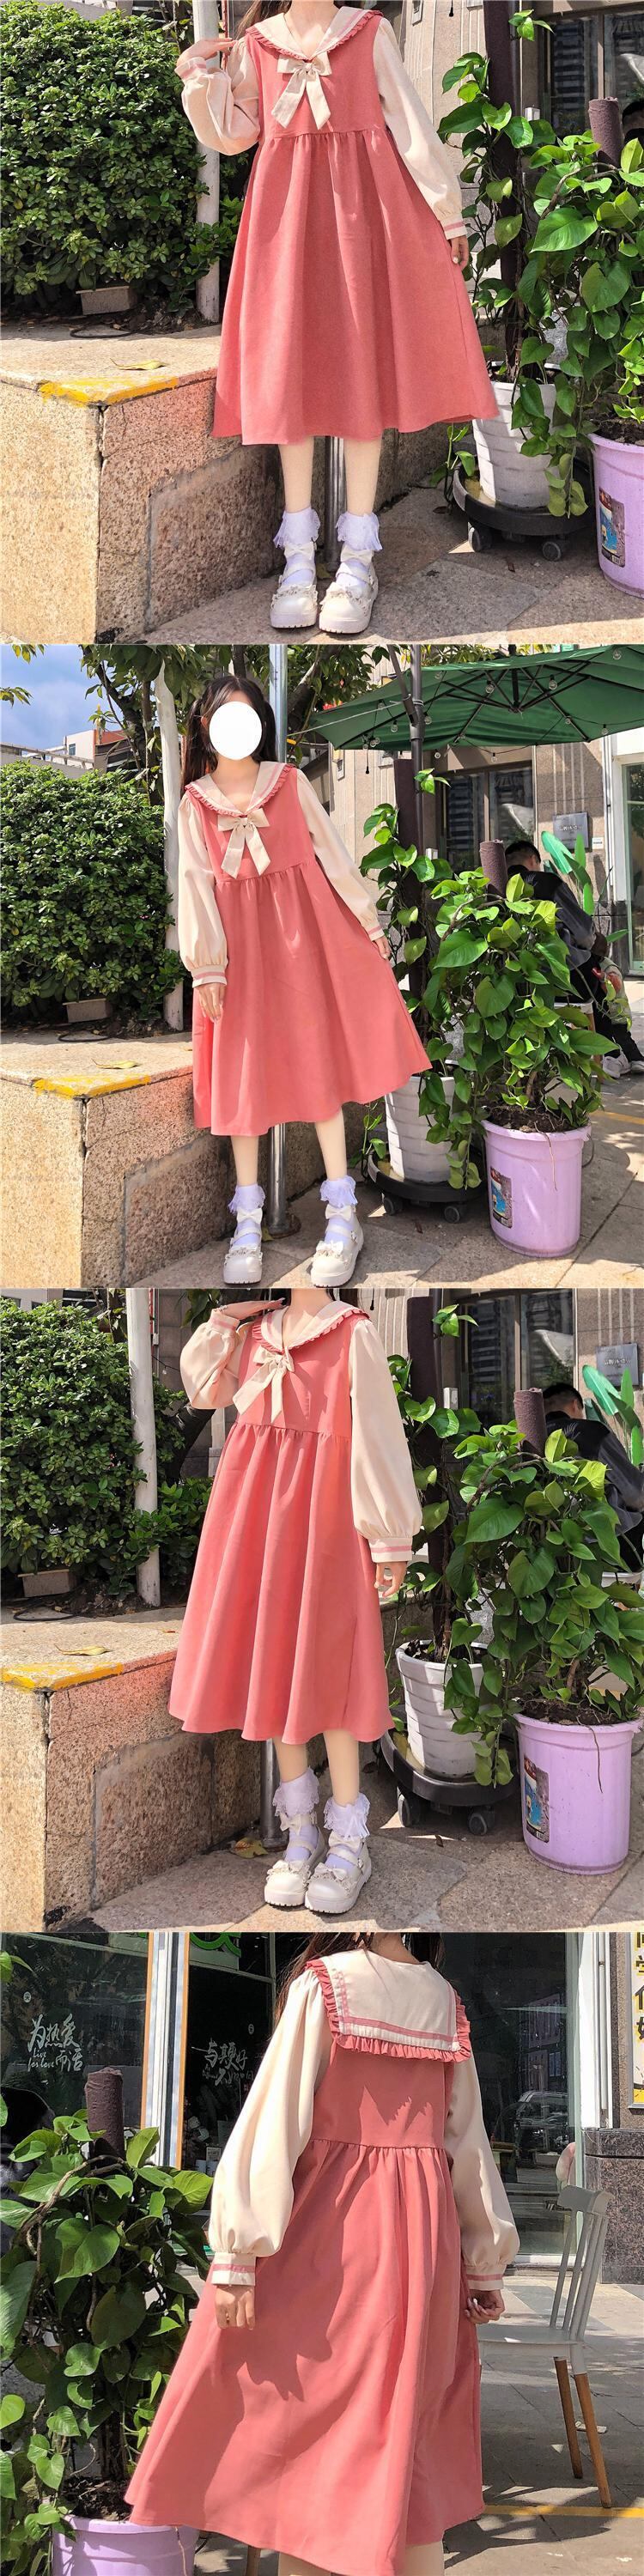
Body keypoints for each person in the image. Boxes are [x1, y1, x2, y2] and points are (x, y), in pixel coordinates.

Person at [126, 1932, 519, 2576]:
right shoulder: (444, 2002)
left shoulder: (326, 1985)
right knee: (404, 2438)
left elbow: (276, 2121)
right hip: (423, 2242)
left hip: (332, 2231)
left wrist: (238, 2252)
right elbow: (467, 2143)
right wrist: (483, 2260)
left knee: (308, 2432)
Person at [174, 0, 496, 635]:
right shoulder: (258, 46)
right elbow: (234, 134)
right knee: (287, 374)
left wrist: (447, 211)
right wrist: (197, 74)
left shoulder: (369, 33)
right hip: (284, 223)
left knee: (360, 377)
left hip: (363, 219)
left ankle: (357, 560)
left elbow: (409, 123)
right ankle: (297, 559)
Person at [171, 1287, 422, 1911]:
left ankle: (350, 1840)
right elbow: (204, 1389)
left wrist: (390, 1537)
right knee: (276, 1664)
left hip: (326, 1514)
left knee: (330, 1668)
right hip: (256, 1511)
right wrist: (226, 1319)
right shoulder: (254, 1331)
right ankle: (301, 1833)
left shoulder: (353, 1332)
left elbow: (379, 1434)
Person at [178, 672, 428, 1286]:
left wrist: (367, 922)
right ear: (205, 728)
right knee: (242, 1078)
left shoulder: (288, 783)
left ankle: (342, 1213)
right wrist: (206, 965)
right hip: (236, 955)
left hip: (300, 943)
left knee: (316, 1067)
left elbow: (333, 855)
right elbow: (194, 885)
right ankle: (247, 1220)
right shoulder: (195, 803)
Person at [506, 838, 644, 1075]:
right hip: (567, 980)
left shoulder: (496, 887)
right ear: (532, 860)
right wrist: (594, 944)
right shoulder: (546, 883)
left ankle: (622, 1053)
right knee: (606, 977)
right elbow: (583, 934)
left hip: (521, 986)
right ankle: (617, 1054)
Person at [543, 1381, 644, 1571]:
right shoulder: (590, 1431)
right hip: (609, 1544)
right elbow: (634, 1493)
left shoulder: (529, 1439)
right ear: (575, 1404)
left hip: (549, 1547)